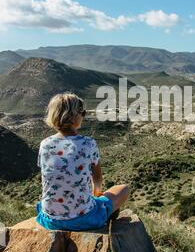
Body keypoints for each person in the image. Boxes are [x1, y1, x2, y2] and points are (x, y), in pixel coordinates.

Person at [36, 92, 129, 231]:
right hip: (84, 219)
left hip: (50, 219)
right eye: (82, 112)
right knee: (124, 189)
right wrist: (96, 197)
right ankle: (102, 215)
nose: (84, 116)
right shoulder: (88, 143)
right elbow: (97, 179)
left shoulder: (45, 144)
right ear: (74, 116)